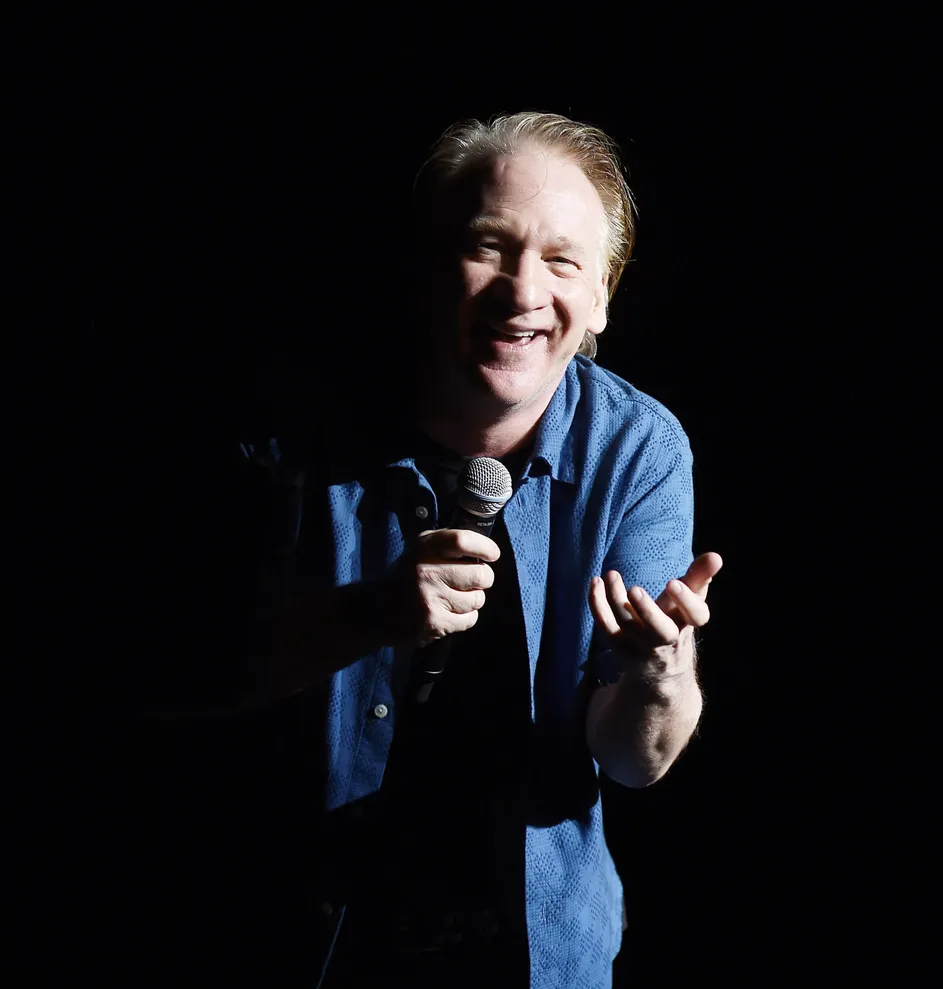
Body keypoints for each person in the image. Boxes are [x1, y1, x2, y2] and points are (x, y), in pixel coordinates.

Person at [138, 111, 722, 988]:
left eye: (563, 261)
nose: (523, 291)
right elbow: (171, 672)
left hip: (531, 954)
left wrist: (658, 674)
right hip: (292, 936)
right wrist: (365, 615)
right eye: (489, 246)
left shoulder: (639, 450)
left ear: (601, 298)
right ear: (427, 265)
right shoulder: (290, 424)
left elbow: (636, 760)